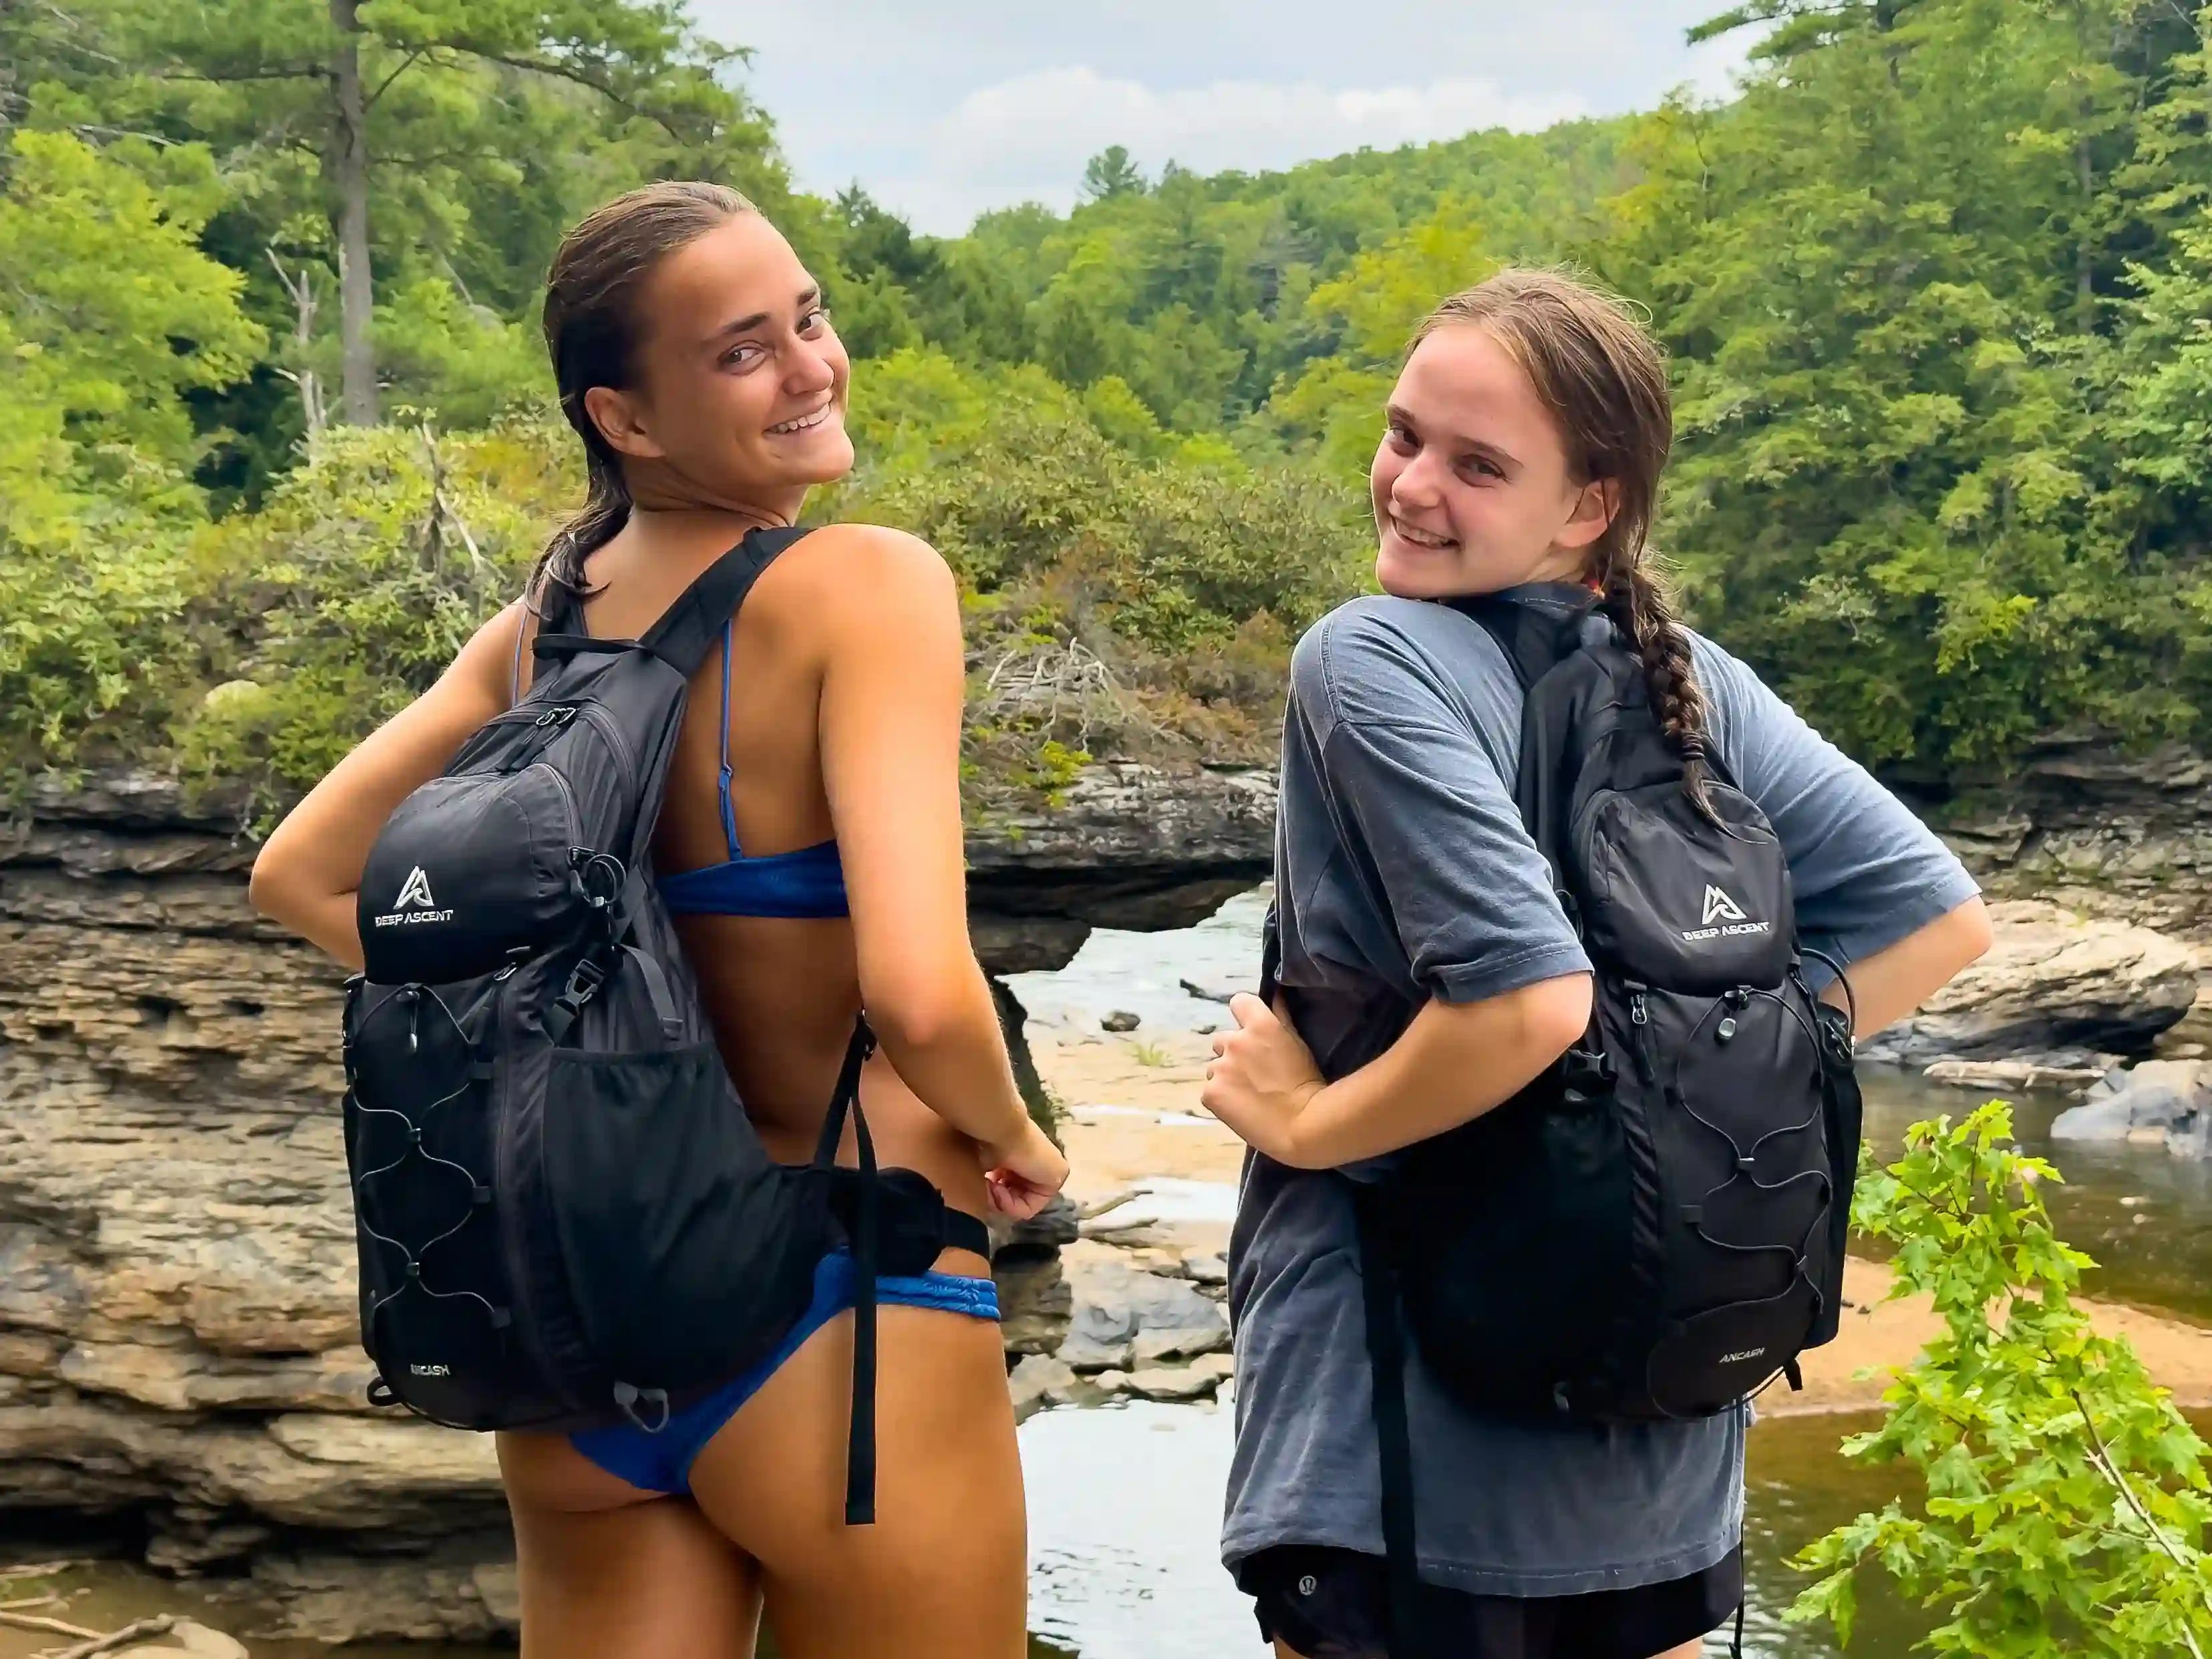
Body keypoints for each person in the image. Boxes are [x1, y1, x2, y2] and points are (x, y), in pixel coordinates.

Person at [248, 180, 1068, 1659]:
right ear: (623, 418)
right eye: (743, 352)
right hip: (842, 1307)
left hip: (587, 1341)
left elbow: (302, 878)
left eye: (807, 317)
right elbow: (920, 995)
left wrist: (566, 1015)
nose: (813, 365)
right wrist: (1015, 1142)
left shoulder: (542, 634)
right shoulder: (864, 588)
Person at [1200, 268, 1994, 1659]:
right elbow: (1938, 924)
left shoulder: (1374, 656)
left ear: (1590, 505)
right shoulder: (1686, 672)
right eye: (1404, 436)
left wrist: (1311, 1126)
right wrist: (1691, 1070)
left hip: (1414, 1449)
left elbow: (1527, 997)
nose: (1411, 486)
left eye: (1477, 464)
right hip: (1664, 1454)